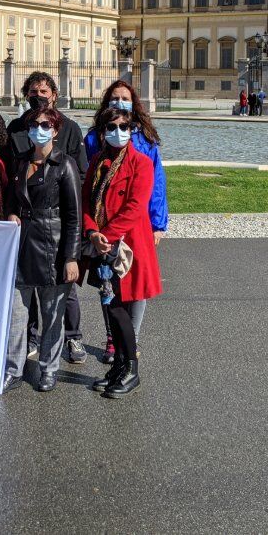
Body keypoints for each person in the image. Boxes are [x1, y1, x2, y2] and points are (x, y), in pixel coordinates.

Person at [3, 71, 88, 365]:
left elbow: (80, 174)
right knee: (27, 293)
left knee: (62, 288)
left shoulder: (70, 129)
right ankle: (32, 338)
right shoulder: (15, 127)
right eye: (32, 91)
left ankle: (74, 337)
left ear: (53, 94)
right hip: (27, 223)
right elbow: (9, 174)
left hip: (56, 222)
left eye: (43, 91)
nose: (38, 96)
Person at [84, 80, 168, 361]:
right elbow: (91, 190)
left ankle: (130, 342)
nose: (120, 103)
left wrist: (159, 223)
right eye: (115, 98)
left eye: (125, 98)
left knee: (134, 285)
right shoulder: (94, 141)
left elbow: (155, 186)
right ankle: (113, 339)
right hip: (104, 225)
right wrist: (93, 231)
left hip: (133, 228)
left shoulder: (145, 141)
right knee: (109, 285)